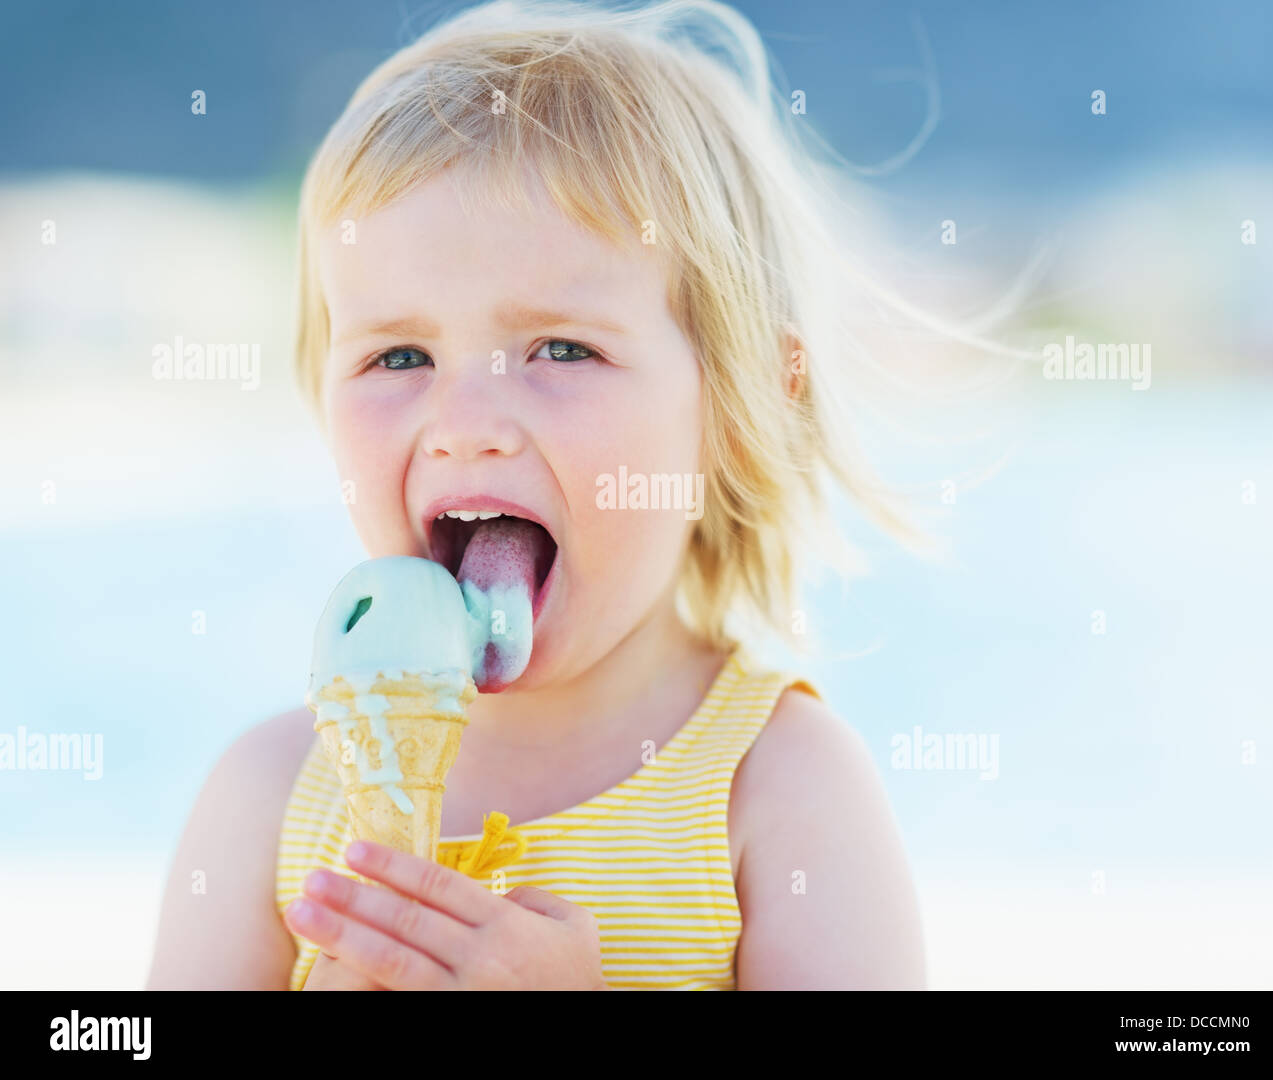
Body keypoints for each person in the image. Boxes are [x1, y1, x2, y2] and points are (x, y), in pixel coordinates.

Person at [147, 0, 927, 990]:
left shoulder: (777, 793)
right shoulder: (267, 800)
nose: (466, 419)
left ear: (735, 407)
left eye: (562, 349)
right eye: (399, 355)